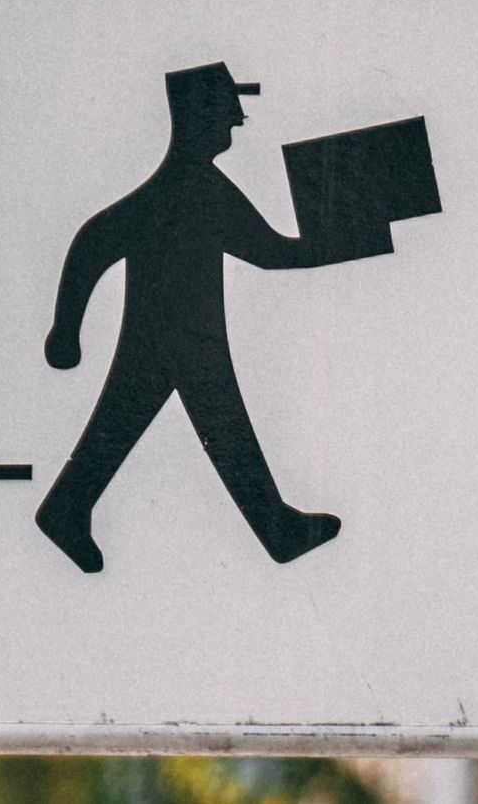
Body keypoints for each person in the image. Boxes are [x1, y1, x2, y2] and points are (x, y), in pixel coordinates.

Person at [35, 62, 342, 573]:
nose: (236, 123)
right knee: (220, 427)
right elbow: (96, 241)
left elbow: (95, 241)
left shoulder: (189, 187)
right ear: (200, 117)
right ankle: (276, 529)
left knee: (125, 424)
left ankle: (67, 508)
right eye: (228, 113)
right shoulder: (197, 189)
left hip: (165, 342)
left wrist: (66, 330)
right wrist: (64, 330)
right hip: (188, 342)